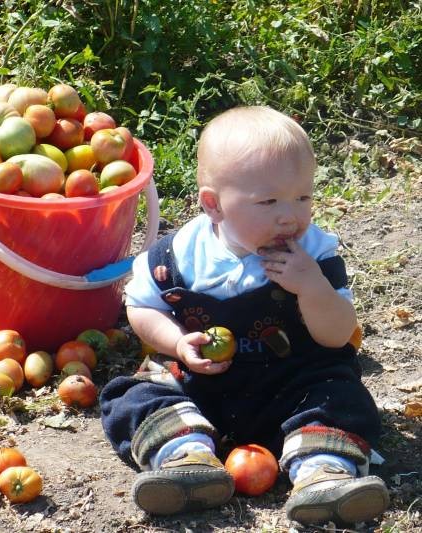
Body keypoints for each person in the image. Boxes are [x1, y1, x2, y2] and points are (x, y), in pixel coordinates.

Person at [100, 106, 389, 526]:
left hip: (295, 382)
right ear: (214, 205)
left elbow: (338, 334)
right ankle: (186, 457)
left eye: (303, 197)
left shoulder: (315, 253)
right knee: (137, 395)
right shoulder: (176, 257)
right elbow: (142, 307)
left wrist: (312, 286)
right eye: (269, 201)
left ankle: (322, 472)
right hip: (204, 386)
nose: (290, 215)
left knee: (341, 395)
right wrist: (178, 342)